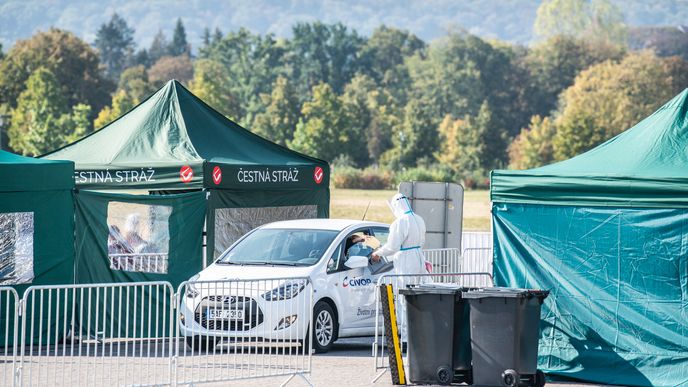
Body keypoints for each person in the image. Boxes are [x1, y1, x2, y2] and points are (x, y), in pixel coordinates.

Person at [371, 193, 427, 341]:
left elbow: (392, 246)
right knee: (418, 297)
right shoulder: (419, 219)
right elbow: (422, 241)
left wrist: (377, 253)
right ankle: (419, 334)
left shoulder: (400, 222)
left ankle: (406, 339)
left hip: (406, 262)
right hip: (418, 258)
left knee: (404, 298)